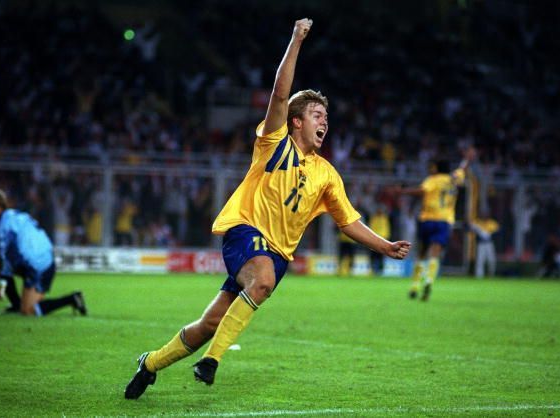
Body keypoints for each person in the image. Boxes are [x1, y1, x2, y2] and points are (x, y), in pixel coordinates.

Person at [124, 18, 411, 399]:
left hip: (277, 255)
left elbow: (349, 222)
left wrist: (385, 246)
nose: (324, 121)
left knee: (210, 322)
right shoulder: (275, 142)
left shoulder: (327, 174)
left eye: (326, 116)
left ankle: (150, 363)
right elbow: (279, 94)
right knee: (261, 283)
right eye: (316, 115)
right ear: (296, 122)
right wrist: (295, 40)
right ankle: (211, 362)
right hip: (244, 231)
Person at [0, 189, 87, 316]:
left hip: (39, 267)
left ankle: (71, 299)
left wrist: (2, 284)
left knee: (28, 310)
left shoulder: (4, 224)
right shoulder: (16, 215)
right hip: (42, 260)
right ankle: (17, 305)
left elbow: (8, 254)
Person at [394, 149, 474, 301]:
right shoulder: (453, 178)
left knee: (422, 252)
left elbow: (421, 191)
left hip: (428, 219)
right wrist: (467, 159)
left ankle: (415, 285)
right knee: (435, 253)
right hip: (444, 221)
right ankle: (429, 280)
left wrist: (403, 191)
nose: (430, 168)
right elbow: (462, 169)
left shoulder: (433, 179)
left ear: (437, 168)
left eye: (432, 166)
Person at [468, 210, 499, 278]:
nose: (484, 216)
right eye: (483, 214)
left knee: (491, 260)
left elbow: (497, 232)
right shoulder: (477, 222)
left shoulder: (492, 223)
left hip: (489, 243)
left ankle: (491, 275)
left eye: (486, 214)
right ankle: (479, 276)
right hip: (481, 244)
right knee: (480, 260)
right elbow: (469, 227)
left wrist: (490, 234)